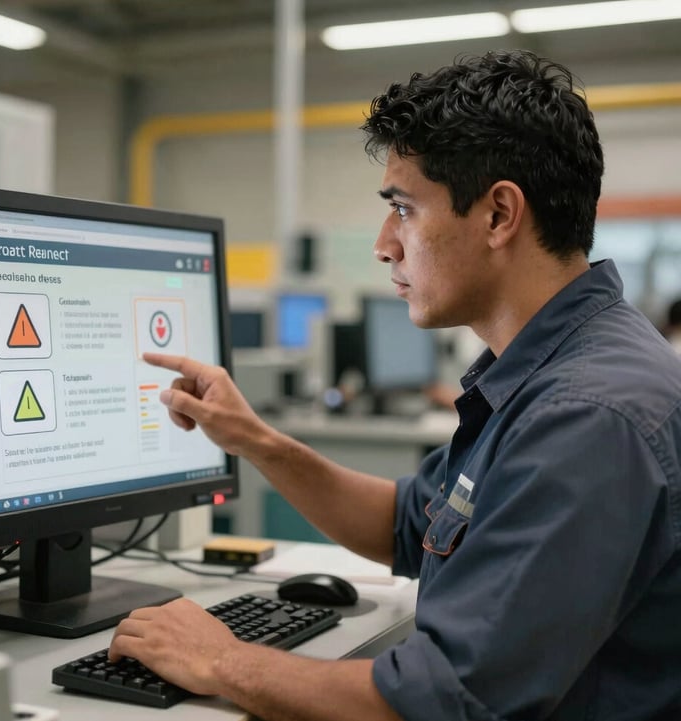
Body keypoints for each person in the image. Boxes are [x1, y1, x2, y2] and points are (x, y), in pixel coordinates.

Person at [109, 50, 681, 721]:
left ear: (499, 215)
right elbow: (406, 524)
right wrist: (255, 439)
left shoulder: (586, 416)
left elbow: (441, 703)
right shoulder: (551, 372)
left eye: (403, 209)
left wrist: (221, 660)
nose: (385, 244)